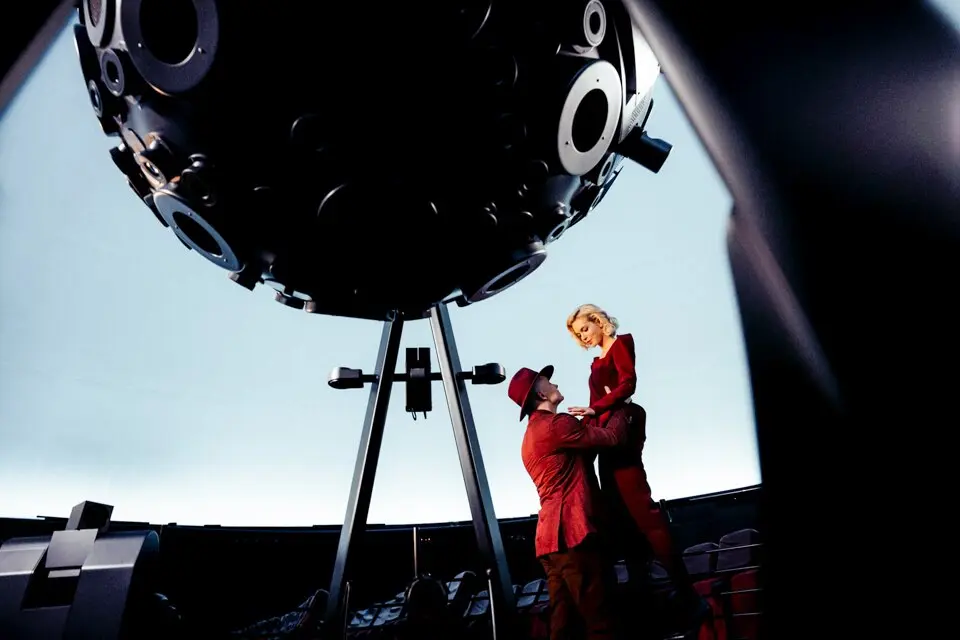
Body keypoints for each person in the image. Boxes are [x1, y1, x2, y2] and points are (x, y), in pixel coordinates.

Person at [565, 304, 701, 618]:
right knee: (621, 516)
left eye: (585, 329)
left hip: (622, 428)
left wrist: (597, 409)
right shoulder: (596, 362)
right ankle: (642, 594)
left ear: (598, 321)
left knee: (643, 511)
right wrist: (581, 427)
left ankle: (688, 593)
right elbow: (593, 406)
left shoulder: (621, 343)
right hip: (605, 435)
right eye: (578, 335)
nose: (583, 337)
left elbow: (628, 384)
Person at [509, 364, 630, 640]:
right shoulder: (557, 425)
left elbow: (580, 453)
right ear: (541, 394)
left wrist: (590, 416)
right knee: (601, 621)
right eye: (547, 381)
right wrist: (621, 406)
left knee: (563, 627)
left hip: (549, 543)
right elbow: (612, 438)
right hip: (574, 535)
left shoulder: (531, 436)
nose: (554, 384)